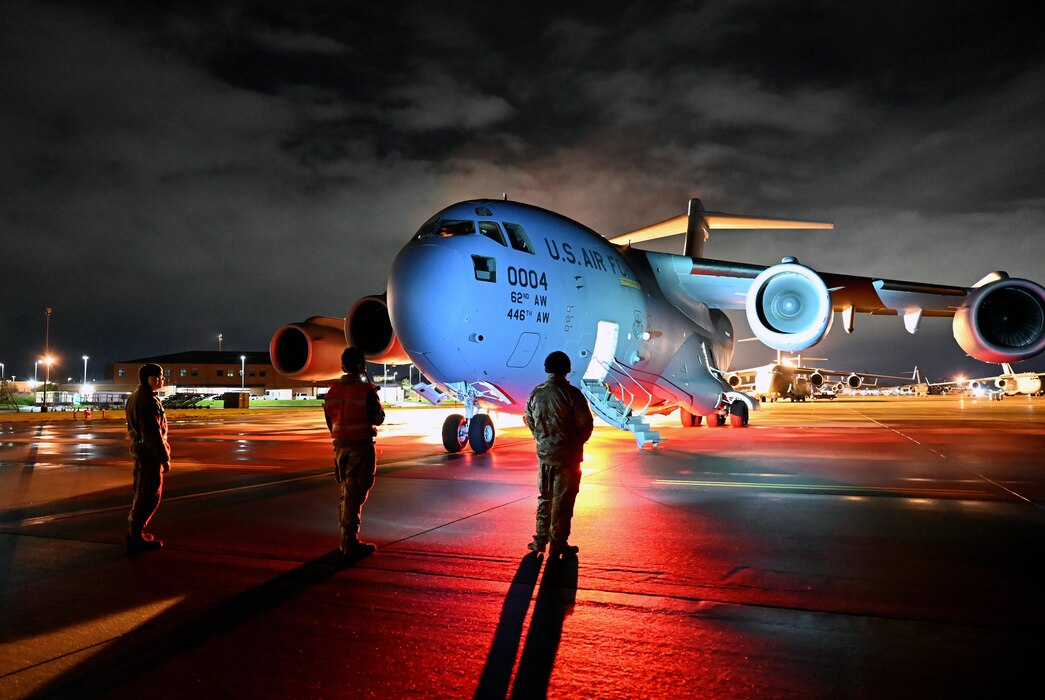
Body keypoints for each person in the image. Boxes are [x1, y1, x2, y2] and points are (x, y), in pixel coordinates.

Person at [524, 350, 594, 558]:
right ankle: (558, 544)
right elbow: (586, 425)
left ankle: (539, 540)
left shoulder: (536, 393)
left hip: (544, 457)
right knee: (563, 502)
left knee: (544, 499)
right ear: (567, 369)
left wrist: (542, 439)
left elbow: (529, 420)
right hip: (567, 459)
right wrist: (574, 442)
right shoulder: (572, 394)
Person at [324, 346, 385, 557]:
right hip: (360, 447)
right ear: (361, 366)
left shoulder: (332, 391)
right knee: (354, 494)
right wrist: (375, 399)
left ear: (342, 367)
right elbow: (378, 419)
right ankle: (349, 543)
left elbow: (330, 421)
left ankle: (346, 539)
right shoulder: (365, 391)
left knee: (346, 492)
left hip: (340, 447)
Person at [125, 363, 171, 554]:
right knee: (150, 494)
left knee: (141, 491)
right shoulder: (148, 400)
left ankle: (134, 532)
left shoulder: (135, 396)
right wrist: (163, 457)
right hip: (148, 452)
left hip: (139, 449)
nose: (163, 380)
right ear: (151, 378)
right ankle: (136, 535)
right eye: (160, 376)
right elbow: (152, 433)